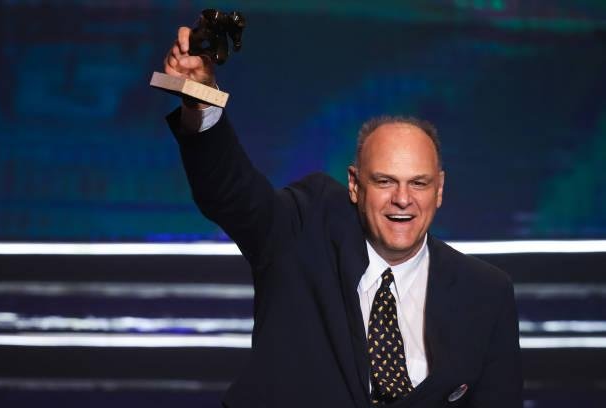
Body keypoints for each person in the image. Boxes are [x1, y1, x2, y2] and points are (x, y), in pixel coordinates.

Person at [163, 27, 522, 408]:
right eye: (385, 181)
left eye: (418, 183)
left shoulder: (485, 293)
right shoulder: (304, 231)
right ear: (354, 184)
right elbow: (232, 194)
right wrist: (200, 99)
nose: (403, 199)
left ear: (440, 189)